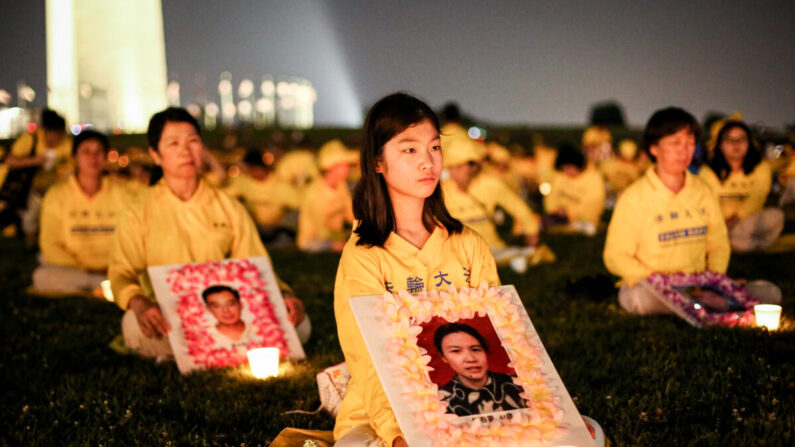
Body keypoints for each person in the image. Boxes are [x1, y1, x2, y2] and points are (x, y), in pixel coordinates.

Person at [333, 92, 500, 447]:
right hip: (383, 413)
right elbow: (367, 358)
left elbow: (496, 336)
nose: (428, 162)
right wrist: (399, 433)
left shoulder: (469, 244)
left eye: (434, 148)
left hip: (470, 403)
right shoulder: (364, 255)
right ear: (378, 162)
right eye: (410, 150)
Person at [108, 107, 310, 359]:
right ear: (155, 155)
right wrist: (139, 304)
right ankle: (231, 349)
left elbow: (256, 264)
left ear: (202, 147)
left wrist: (284, 295)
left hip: (230, 312)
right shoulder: (138, 211)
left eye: (193, 141)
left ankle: (199, 351)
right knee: (133, 325)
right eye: (173, 143)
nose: (185, 151)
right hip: (172, 314)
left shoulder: (228, 206)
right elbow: (120, 272)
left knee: (300, 324)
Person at [603, 107, 731, 314]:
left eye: (690, 143)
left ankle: (698, 300)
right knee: (639, 299)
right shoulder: (634, 196)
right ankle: (697, 303)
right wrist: (658, 279)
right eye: (675, 143)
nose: (684, 151)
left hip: (697, 283)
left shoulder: (703, 191)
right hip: (651, 286)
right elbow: (615, 256)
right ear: (654, 148)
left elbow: (718, 243)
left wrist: (713, 279)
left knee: (769, 293)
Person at [31, 129, 131, 297]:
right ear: (75, 157)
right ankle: (106, 287)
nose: (93, 158)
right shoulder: (57, 194)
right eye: (86, 152)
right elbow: (50, 244)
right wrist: (86, 266)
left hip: (114, 267)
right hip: (74, 267)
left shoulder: (122, 193)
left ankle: (98, 287)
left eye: (99, 152)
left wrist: (113, 265)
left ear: (106, 156)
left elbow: (132, 238)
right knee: (42, 275)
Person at [698, 120, 784, 252]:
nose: (735, 144)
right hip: (717, 222)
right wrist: (720, 225)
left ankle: (734, 242)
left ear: (749, 143)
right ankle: (744, 242)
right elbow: (707, 202)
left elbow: (757, 199)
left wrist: (734, 221)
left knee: (776, 216)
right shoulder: (708, 171)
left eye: (741, 139)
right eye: (729, 139)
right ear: (720, 145)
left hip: (747, 220)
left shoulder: (761, 168)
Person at [441, 135, 540, 249]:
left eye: (460, 166)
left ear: (472, 166)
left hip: (489, 247)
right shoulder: (441, 189)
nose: (455, 171)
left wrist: (531, 230)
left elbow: (517, 206)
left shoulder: (490, 184)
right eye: (451, 167)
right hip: (454, 250)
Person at [4, 109, 73, 243]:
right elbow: (10, 161)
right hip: (30, 185)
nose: (56, 139)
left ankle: (51, 241)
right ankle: (31, 244)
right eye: (53, 134)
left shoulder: (66, 142)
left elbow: (73, 162)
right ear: (45, 131)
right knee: (30, 216)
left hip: (55, 186)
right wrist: (37, 160)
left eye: (60, 135)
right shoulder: (31, 138)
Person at [434, 322, 527, 417]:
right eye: (456, 351)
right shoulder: (439, 401)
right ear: (443, 357)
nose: (471, 359)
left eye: (475, 349)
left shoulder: (519, 383)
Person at [224, 148, 300, 245]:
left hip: (278, 228)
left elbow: (299, 206)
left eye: (248, 168)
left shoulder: (281, 185)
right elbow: (226, 196)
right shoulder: (243, 182)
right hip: (255, 227)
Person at [296, 139, 357, 252]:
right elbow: (321, 230)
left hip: (336, 235)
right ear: (331, 167)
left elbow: (350, 212)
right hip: (314, 241)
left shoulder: (340, 184)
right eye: (344, 165)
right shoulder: (314, 193)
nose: (348, 168)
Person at [542, 144, 605, 233]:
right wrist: (554, 209)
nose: (566, 172)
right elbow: (551, 197)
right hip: (559, 217)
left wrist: (569, 212)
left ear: (578, 165)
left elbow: (593, 204)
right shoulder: (561, 177)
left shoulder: (594, 178)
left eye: (569, 168)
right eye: (563, 169)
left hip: (584, 220)